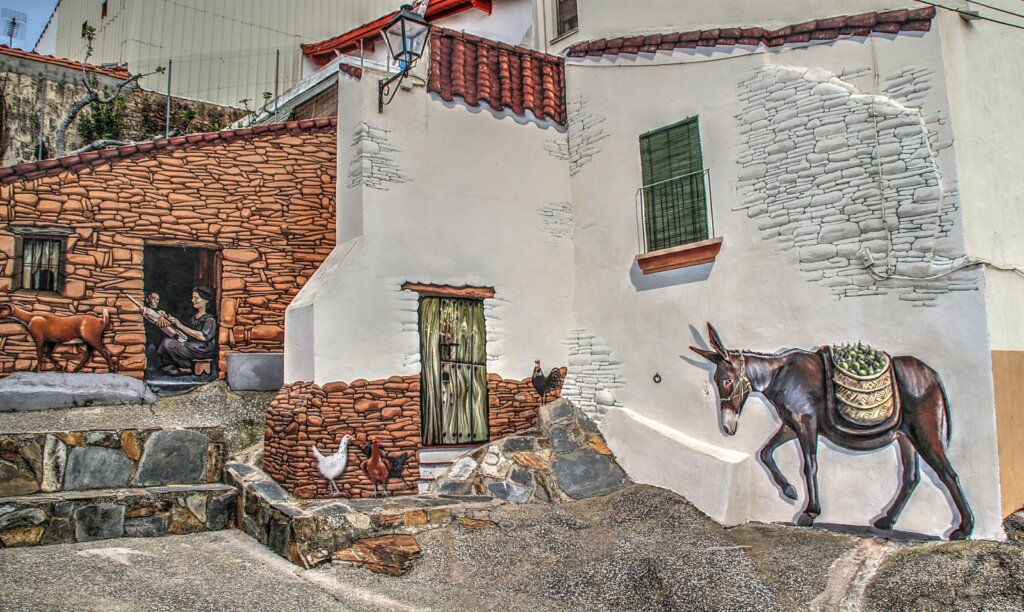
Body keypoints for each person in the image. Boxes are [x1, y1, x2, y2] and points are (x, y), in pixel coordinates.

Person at [156, 287, 217, 376]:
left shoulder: (209, 319)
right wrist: (167, 318)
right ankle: (175, 366)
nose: (193, 300)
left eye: (196, 298)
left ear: (206, 300)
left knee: (170, 343)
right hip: (192, 345)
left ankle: (186, 366)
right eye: (193, 298)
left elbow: (204, 337)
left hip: (204, 348)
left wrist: (180, 325)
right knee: (167, 341)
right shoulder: (193, 316)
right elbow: (187, 332)